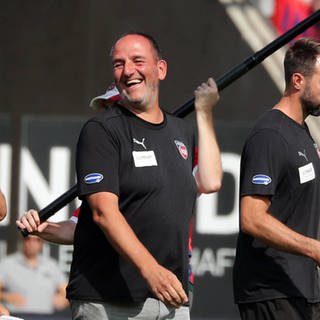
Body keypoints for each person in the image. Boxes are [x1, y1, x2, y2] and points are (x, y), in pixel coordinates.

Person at [18, 32, 222, 319]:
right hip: (109, 300)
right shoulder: (102, 131)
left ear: (160, 69)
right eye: (118, 64)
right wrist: (45, 228)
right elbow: (99, 217)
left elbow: (211, 181)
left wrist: (204, 114)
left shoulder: (180, 131)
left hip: (171, 298)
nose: (128, 71)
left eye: (137, 61)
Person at [233, 37, 320, 320]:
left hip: (299, 288)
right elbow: (251, 218)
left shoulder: (301, 132)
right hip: (271, 292)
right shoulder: (269, 134)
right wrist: (314, 248)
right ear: (298, 80)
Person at [0, 234, 69, 315]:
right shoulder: (7, 263)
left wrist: (63, 299)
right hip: (16, 315)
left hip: (46, 317)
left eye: (37, 240)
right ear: (22, 241)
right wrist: (6, 297)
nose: (32, 243)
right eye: (28, 239)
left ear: (42, 243)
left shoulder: (51, 266)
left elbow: (67, 291)